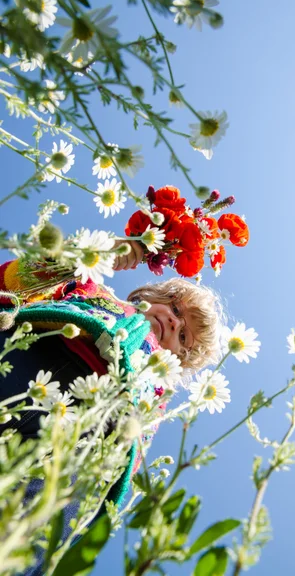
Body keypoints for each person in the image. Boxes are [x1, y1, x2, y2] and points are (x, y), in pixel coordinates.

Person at [0, 239, 227, 574]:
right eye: (177, 310)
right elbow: (12, 281)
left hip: (87, 432)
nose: (177, 325)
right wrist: (101, 253)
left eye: (184, 340)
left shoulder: (156, 392)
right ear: (149, 295)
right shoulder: (93, 291)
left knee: (45, 515)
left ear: (180, 361)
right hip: (34, 352)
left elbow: (129, 457)